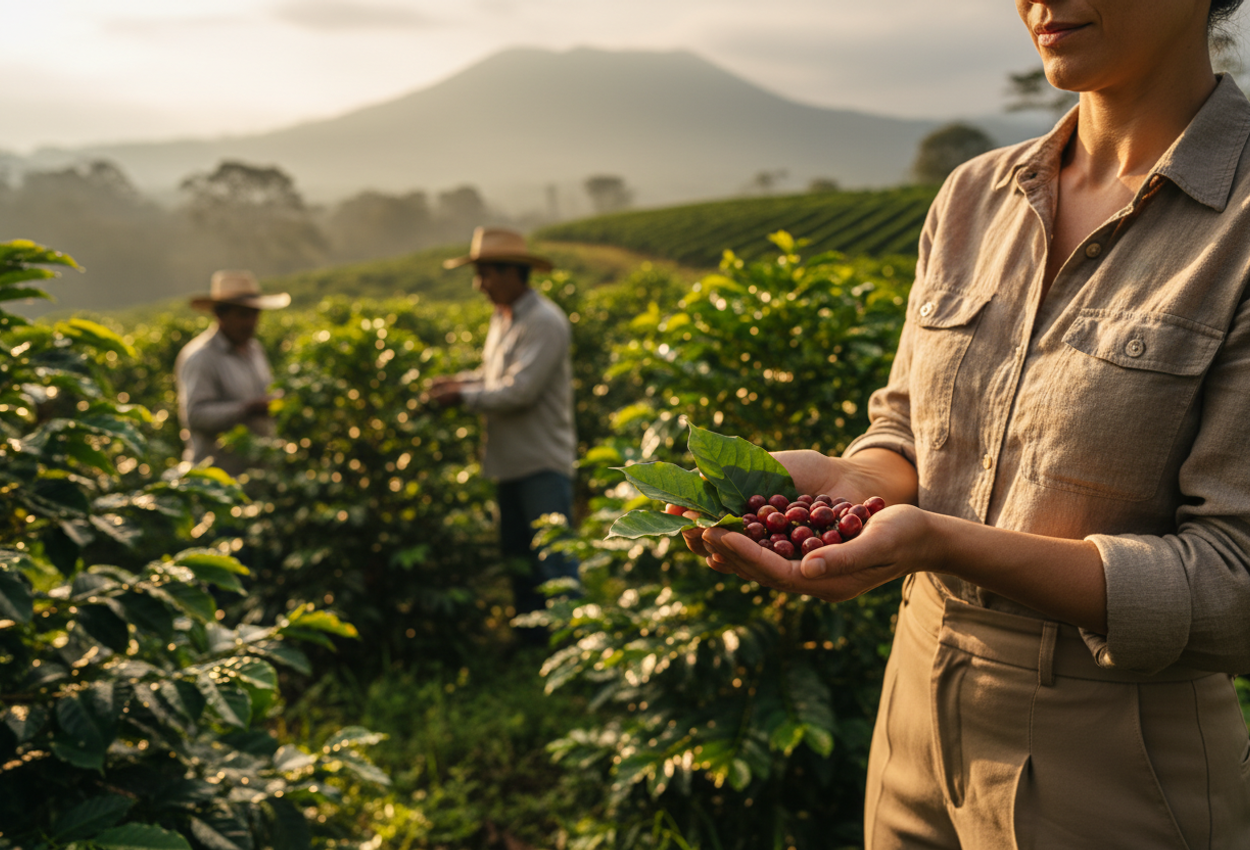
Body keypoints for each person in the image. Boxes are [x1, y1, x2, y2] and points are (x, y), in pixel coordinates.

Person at [681, 1, 1250, 847]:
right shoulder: (975, 197)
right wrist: (860, 481)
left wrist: (940, 543)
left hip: (1114, 752)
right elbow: (908, 427)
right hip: (916, 699)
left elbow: (1234, 587)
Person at [431, 227, 579, 624]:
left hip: (541, 461)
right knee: (519, 558)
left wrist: (461, 397)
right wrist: (462, 382)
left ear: (513, 273)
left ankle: (573, 642)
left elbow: (520, 391)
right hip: (509, 459)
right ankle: (532, 638)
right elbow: (494, 375)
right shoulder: (503, 317)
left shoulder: (545, 321)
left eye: (485, 275)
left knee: (554, 559)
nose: (479, 286)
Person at [175, 269, 290, 477]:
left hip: (259, 473)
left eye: (255, 314)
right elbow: (196, 416)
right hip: (219, 478)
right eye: (243, 315)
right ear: (220, 314)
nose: (251, 322)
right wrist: (247, 409)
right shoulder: (200, 357)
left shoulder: (254, 350)